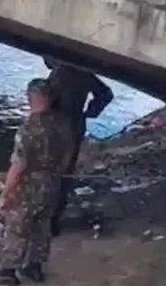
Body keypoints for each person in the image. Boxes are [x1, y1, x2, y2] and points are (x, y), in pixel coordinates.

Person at [0, 78, 74, 286]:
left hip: (28, 185)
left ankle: (8, 270)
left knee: (17, 226)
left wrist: (5, 194)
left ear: (31, 98)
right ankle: (34, 267)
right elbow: (69, 153)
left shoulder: (28, 129)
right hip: (52, 182)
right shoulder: (63, 123)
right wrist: (56, 172)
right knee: (42, 225)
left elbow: (19, 165)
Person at [44, 57, 114, 236]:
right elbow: (106, 94)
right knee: (64, 174)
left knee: (46, 170)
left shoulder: (57, 75)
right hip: (75, 126)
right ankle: (53, 218)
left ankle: (45, 216)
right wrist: (90, 112)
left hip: (55, 128)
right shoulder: (84, 74)